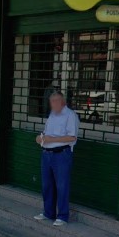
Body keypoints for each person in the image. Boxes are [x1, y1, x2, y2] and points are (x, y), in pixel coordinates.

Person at [33, 91, 79, 226]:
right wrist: (40, 138)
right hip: (46, 154)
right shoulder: (52, 115)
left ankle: (63, 216)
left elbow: (72, 138)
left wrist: (51, 139)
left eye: (56, 101)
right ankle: (48, 213)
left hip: (61, 155)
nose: (53, 104)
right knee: (47, 185)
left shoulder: (70, 115)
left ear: (63, 101)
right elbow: (47, 133)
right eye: (52, 101)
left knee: (62, 186)